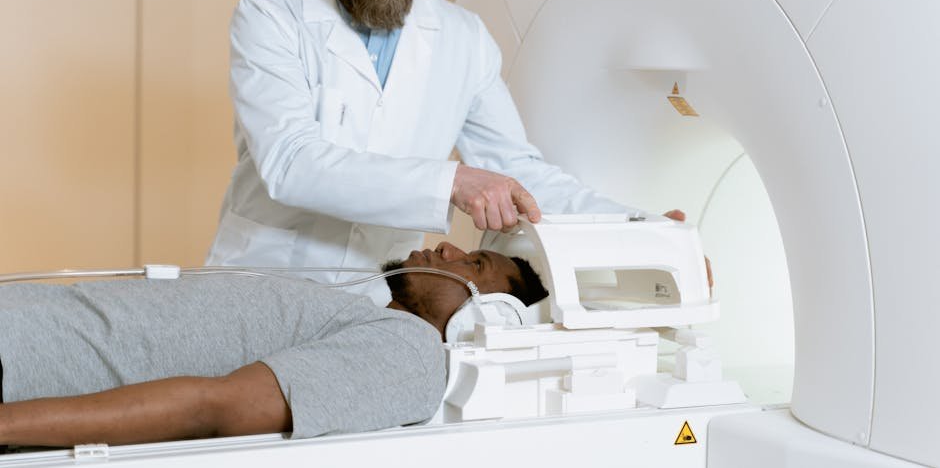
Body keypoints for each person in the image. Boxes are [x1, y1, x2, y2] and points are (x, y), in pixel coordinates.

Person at [205, 0, 630, 301]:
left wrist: (638, 228)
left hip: (379, 302)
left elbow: (519, 173)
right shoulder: (269, 16)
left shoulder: (463, 37)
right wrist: (451, 182)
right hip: (262, 284)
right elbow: (292, 162)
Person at [0, 244, 547, 450]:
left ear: (489, 313)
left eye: (473, 264)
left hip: (15, 369)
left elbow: (213, 408)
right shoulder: (365, 315)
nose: (448, 247)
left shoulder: (411, 356)